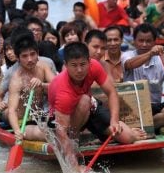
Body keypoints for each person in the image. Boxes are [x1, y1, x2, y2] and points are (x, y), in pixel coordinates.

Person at [48, 42, 137, 172]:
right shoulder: (63, 91)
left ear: (89, 62)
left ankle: (101, 130)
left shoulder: (94, 66)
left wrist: (114, 121)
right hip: (65, 119)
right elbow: (61, 131)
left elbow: (112, 92)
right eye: (74, 65)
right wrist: (74, 166)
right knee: (84, 100)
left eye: (83, 64)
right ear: (66, 65)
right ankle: (76, 137)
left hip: (89, 106)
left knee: (128, 137)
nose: (79, 70)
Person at [121, 24, 164, 131]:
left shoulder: (162, 61)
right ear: (134, 41)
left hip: (153, 106)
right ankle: (148, 127)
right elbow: (129, 64)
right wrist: (150, 53)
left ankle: (142, 128)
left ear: (154, 42)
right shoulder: (127, 55)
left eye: (148, 41)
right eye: (141, 41)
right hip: (132, 108)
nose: (144, 44)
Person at [8, 33, 55, 141]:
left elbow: (58, 87)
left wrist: (42, 84)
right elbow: (12, 110)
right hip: (23, 122)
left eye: (32, 54)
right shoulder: (16, 80)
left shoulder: (43, 66)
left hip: (41, 117)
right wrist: (17, 131)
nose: (30, 59)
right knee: (44, 133)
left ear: (38, 54)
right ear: (18, 58)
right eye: (24, 56)